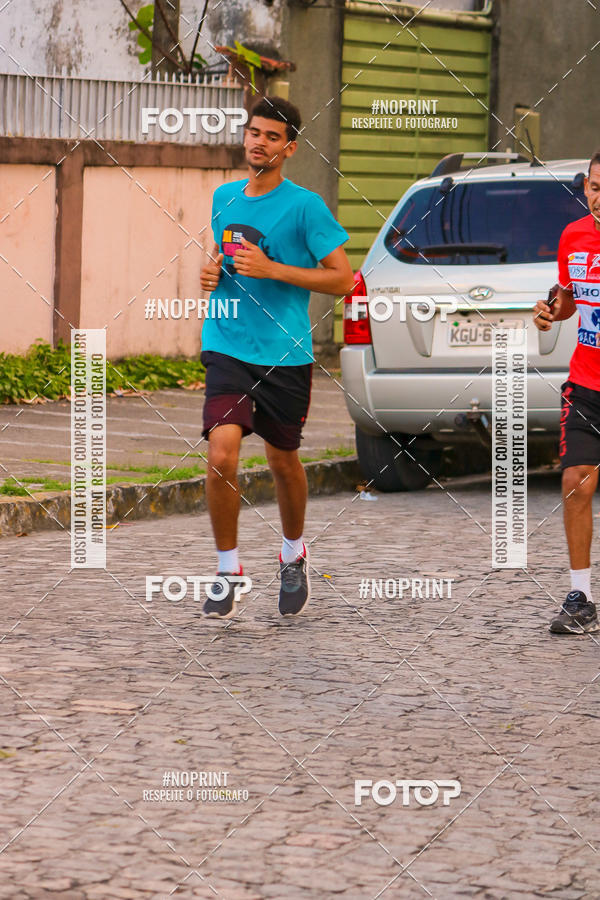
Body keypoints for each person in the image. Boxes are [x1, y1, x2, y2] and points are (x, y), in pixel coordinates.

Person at [198, 96, 354, 620]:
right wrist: (210, 274)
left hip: (284, 355)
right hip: (226, 344)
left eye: (270, 136)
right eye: (252, 132)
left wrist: (275, 269)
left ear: (289, 147)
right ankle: (228, 570)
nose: (257, 142)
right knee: (221, 453)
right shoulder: (223, 196)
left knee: (283, 461)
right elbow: (223, 259)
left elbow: (342, 279)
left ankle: (293, 553)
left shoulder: (306, 206)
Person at [534, 149, 600, 634]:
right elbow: (569, 299)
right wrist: (550, 311)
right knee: (576, 479)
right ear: (585, 188)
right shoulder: (573, 236)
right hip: (586, 382)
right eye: (596, 188)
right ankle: (581, 597)